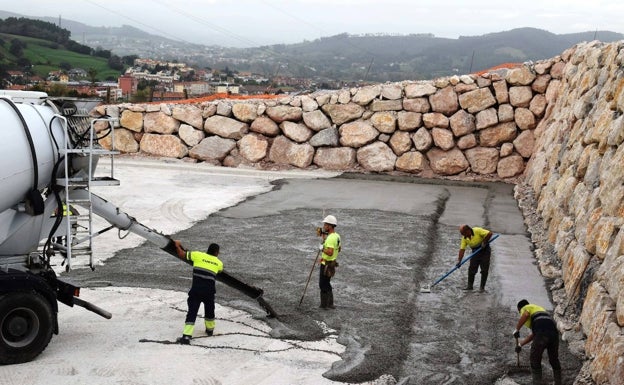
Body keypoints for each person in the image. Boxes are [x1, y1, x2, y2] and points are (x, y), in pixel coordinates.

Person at [173, 240, 223, 345]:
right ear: (217, 253)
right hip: (209, 292)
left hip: (196, 290)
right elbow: (219, 271)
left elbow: (182, 254)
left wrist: (177, 245)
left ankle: (186, 336)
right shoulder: (219, 263)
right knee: (210, 310)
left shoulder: (197, 255)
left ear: (207, 250)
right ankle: (210, 330)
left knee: (192, 312)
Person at [513, 299, 562, 385]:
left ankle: (537, 383)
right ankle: (558, 382)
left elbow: (526, 314)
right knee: (554, 359)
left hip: (542, 333)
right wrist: (520, 344)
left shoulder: (525, 308)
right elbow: (535, 334)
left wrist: (517, 329)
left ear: (520, 308)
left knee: (535, 359)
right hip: (554, 333)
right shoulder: (539, 310)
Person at [456, 224, 493, 291]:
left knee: (484, 269)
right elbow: (462, 249)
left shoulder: (477, 230)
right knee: (472, 269)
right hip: (475, 252)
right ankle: (470, 286)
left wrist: (484, 242)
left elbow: (489, 233)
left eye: (464, 233)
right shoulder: (464, 238)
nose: (463, 236)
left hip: (485, 251)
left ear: (468, 230)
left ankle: (482, 288)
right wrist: (459, 260)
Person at [318, 215, 341, 309]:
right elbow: (339, 249)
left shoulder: (331, 238)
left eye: (325, 225)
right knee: (327, 282)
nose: (324, 226)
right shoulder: (336, 236)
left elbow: (330, 252)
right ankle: (330, 304)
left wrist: (322, 248)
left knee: (322, 284)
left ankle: (324, 305)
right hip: (332, 264)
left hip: (326, 264)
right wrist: (324, 240)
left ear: (330, 226)